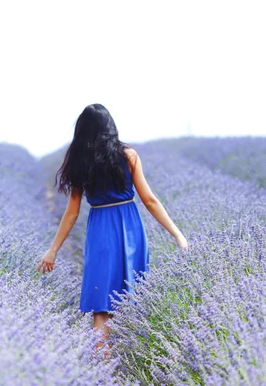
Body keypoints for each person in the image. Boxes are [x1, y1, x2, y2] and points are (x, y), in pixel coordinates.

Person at [36, 103, 188, 359]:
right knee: (134, 294)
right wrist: (177, 234)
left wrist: (52, 251)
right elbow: (149, 200)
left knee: (101, 304)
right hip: (129, 226)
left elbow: (71, 212)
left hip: (100, 230)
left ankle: (102, 365)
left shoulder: (79, 161)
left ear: (82, 130)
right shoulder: (128, 155)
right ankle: (136, 360)